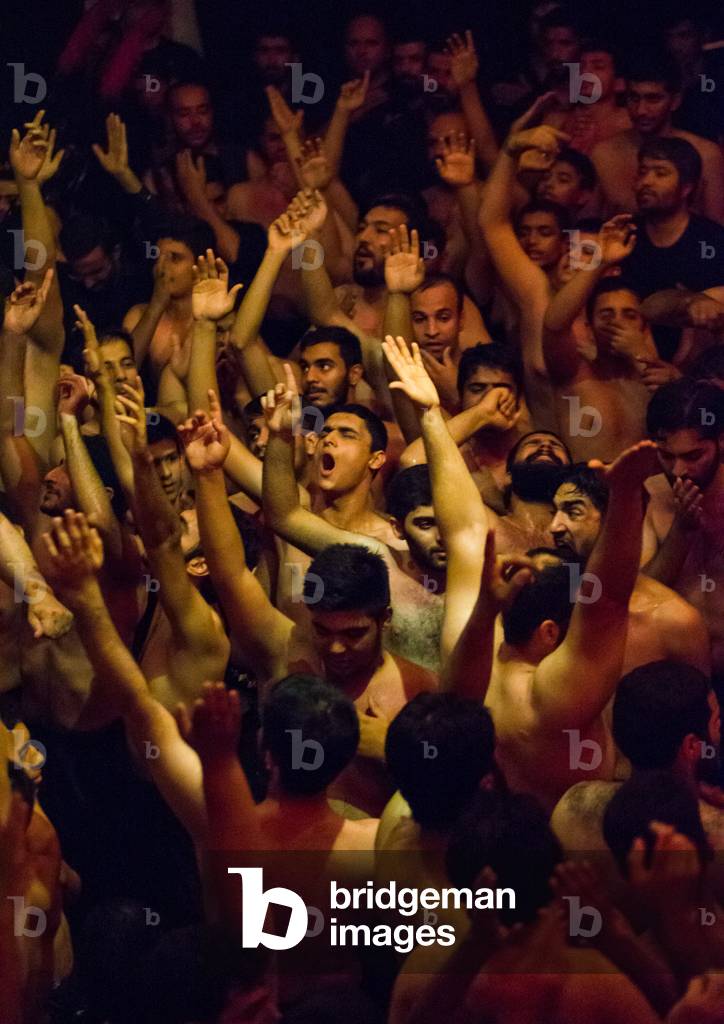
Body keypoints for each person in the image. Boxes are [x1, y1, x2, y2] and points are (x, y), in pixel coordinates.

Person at [551, 462, 710, 678]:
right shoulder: (547, 598)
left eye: (573, 512)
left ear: (619, 520)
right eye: (555, 511)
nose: (554, 526)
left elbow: (700, 709)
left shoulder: (674, 622)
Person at [551, 660, 723, 856]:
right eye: (716, 720)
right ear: (692, 746)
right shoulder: (716, 837)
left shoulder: (572, 807)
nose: (720, 729)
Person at [543, 216, 654, 461]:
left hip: (648, 494)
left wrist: (640, 354)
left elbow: (677, 411)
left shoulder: (648, 374)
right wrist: (599, 261)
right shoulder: (574, 373)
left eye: (629, 315)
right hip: (587, 493)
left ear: (643, 326)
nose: (617, 322)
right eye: (606, 314)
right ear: (589, 326)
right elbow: (553, 326)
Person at [642, 379, 724, 695]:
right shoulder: (651, 495)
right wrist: (682, 531)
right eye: (666, 455)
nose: (678, 470)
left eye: (693, 456)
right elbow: (639, 597)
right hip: (681, 681)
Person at [591, 52, 724, 222]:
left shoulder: (706, 155)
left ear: (675, 101)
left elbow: (718, 234)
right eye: (633, 98)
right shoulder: (603, 155)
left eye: (653, 99)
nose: (641, 110)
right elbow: (587, 227)